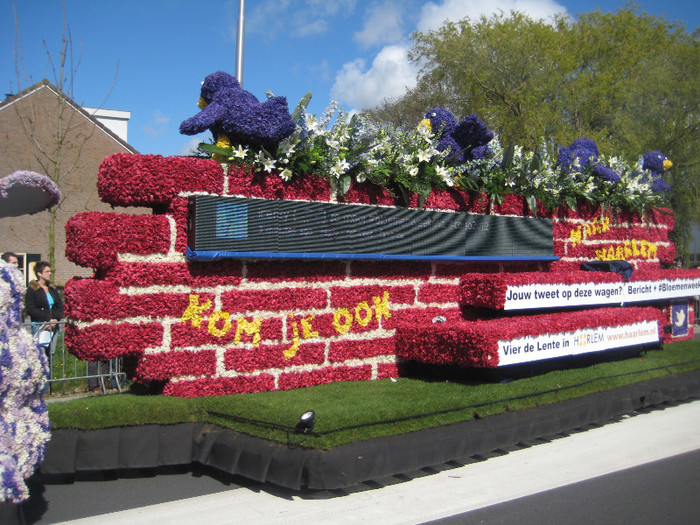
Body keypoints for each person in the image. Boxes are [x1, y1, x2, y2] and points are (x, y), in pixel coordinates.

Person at [25, 261, 64, 367]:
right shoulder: (33, 290)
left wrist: (55, 319)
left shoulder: (52, 289)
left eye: (50, 271)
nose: (50, 273)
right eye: (47, 271)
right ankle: (42, 382)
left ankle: (49, 382)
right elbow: (31, 309)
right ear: (39, 274)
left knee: (50, 356)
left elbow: (60, 306)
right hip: (40, 326)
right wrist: (47, 319)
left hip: (53, 327)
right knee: (40, 356)